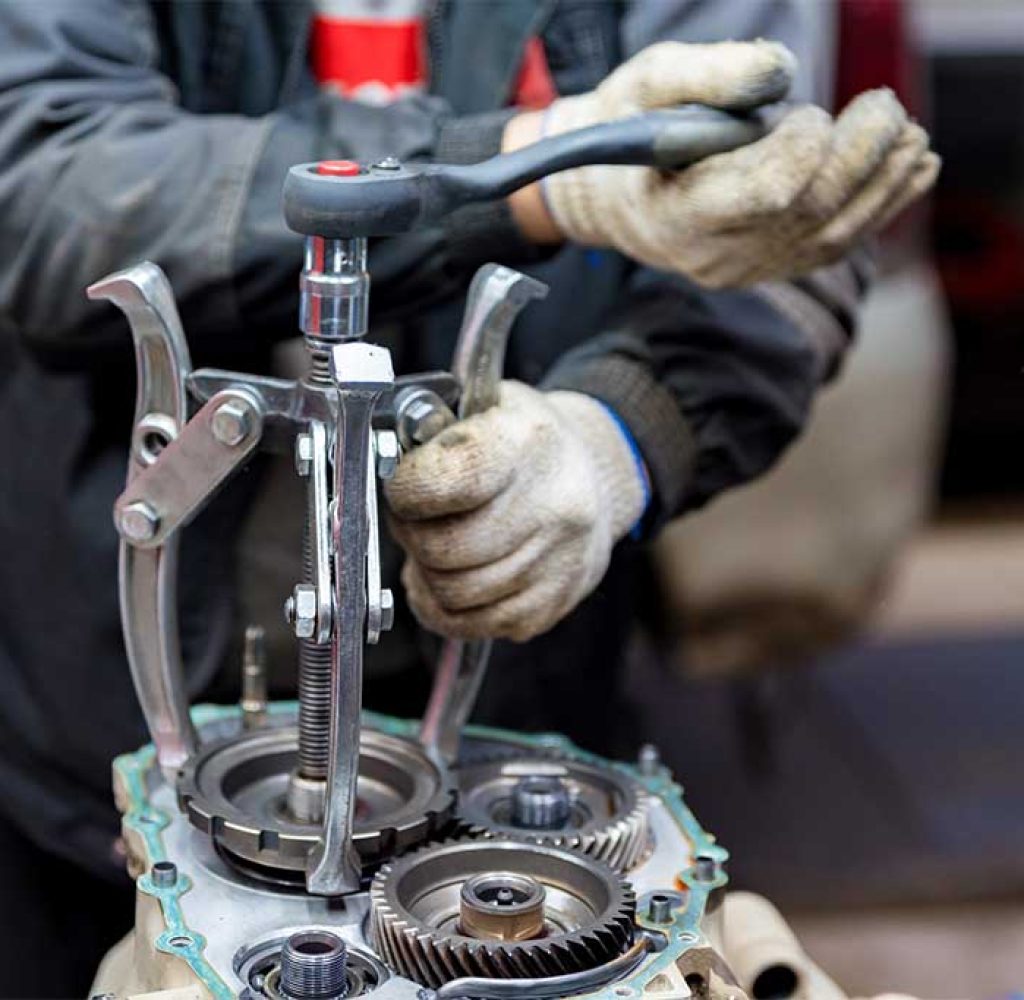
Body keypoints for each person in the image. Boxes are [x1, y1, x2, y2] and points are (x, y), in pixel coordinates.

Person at [0, 1, 936, 995]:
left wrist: (611, 436)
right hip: (87, 757)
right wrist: (534, 172)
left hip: (521, 757)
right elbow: (41, 180)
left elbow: (789, 232)